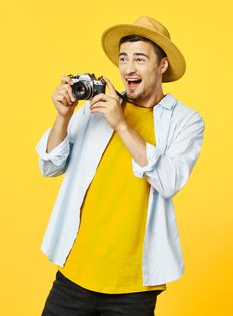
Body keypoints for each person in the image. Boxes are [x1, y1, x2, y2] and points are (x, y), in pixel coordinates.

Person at [36, 16, 205, 316]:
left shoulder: (186, 121)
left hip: (133, 289)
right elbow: (50, 166)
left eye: (140, 59)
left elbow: (169, 182)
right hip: (75, 273)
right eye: (123, 58)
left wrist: (122, 125)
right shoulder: (97, 107)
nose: (128, 68)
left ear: (162, 65)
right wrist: (63, 117)